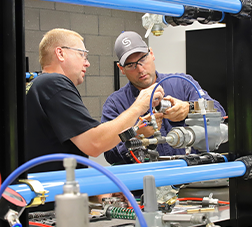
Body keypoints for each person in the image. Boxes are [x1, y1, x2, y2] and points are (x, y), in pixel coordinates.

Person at [25, 28, 164, 173]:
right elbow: (94, 143)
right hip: (51, 192)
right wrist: (139, 106)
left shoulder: (38, 85)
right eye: (82, 55)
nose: (87, 63)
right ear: (60, 53)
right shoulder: (53, 83)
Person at [101, 31, 226, 165]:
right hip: (148, 179)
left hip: (192, 174)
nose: (140, 69)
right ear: (121, 68)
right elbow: (109, 154)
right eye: (131, 65)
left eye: (142, 59)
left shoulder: (182, 83)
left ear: (152, 53)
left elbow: (220, 113)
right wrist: (136, 134)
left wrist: (189, 108)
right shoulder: (115, 104)